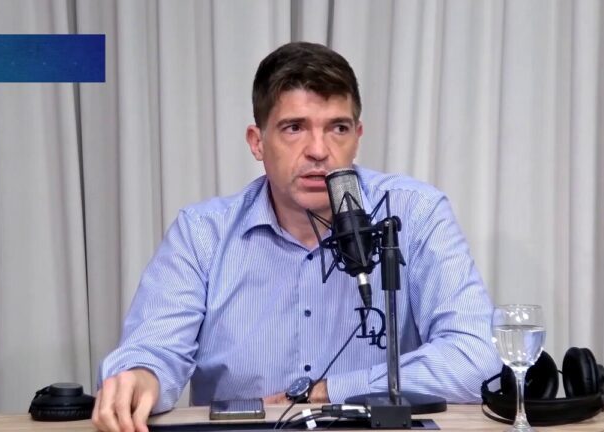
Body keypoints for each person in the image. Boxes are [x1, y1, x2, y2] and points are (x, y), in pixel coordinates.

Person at [92, 41, 501, 432]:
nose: (319, 150)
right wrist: (140, 377)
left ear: (357, 137)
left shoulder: (413, 213)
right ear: (257, 142)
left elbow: (477, 357)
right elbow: (153, 349)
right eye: (294, 128)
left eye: (337, 128)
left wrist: (326, 394)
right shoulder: (202, 234)